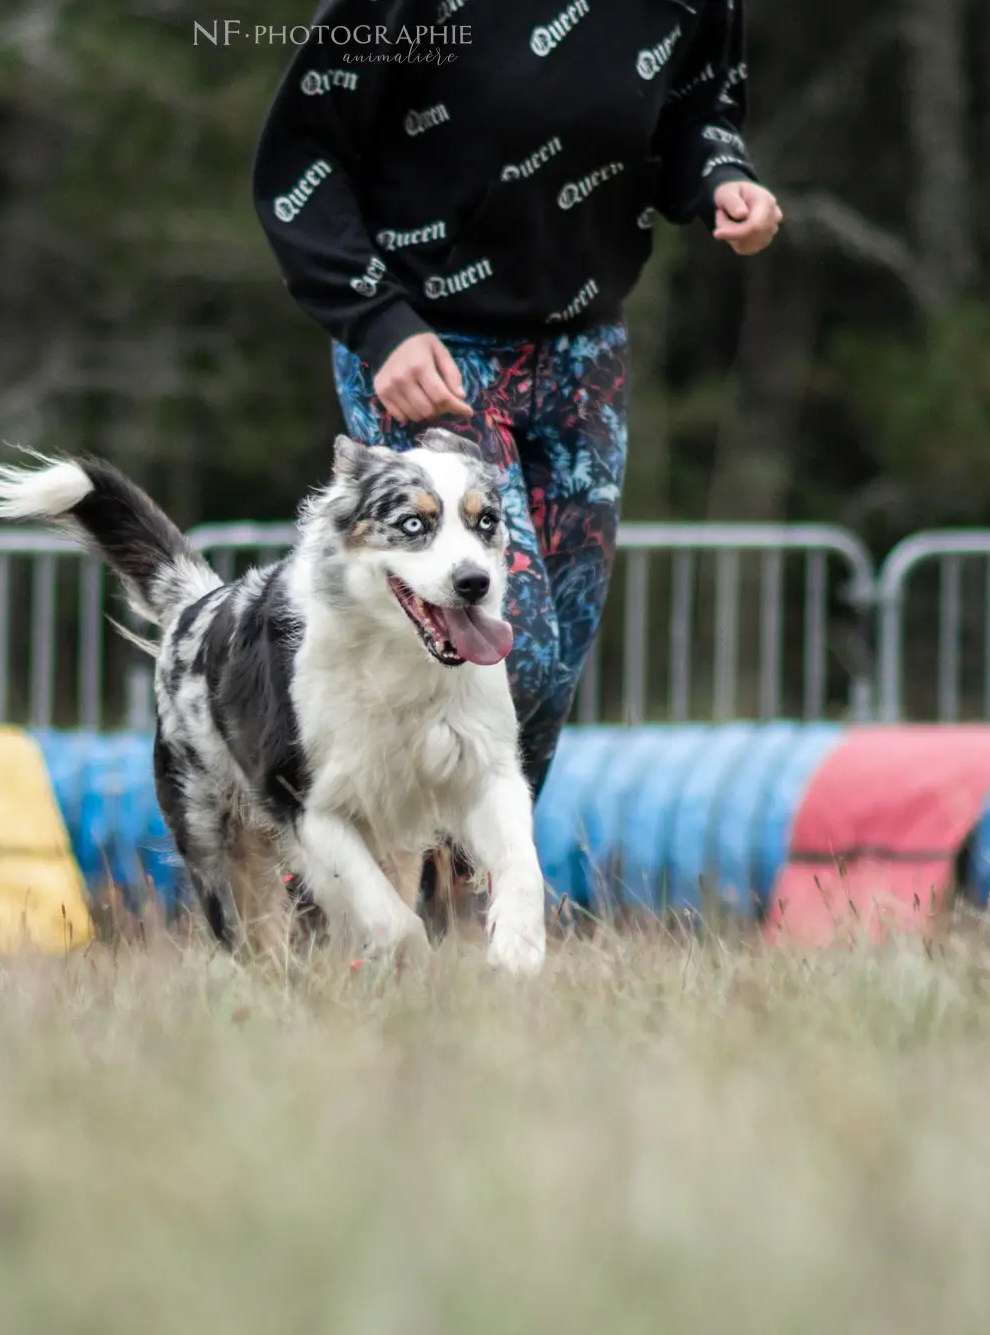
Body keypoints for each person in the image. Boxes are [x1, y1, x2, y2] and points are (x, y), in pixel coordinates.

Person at [253, 0, 781, 914]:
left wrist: (724, 180)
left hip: (584, 348)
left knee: (550, 670)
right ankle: (341, 884)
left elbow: (696, 112)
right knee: (507, 646)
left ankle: (450, 917)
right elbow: (303, 156)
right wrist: (378, 325)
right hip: (430, 345)